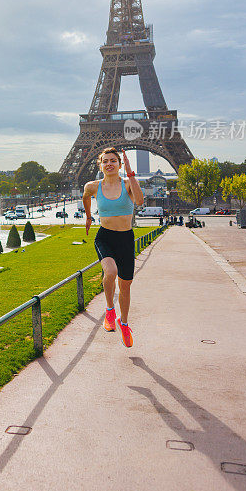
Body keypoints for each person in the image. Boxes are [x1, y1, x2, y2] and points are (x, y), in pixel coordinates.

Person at [82, 147, 144, 347]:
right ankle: (110, 310)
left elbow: (141, 201)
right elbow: (85, 197)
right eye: (105, 161)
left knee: (125, 287)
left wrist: (131, 172)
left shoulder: (128, 184)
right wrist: (88, 216)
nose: (109, 164)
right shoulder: (93, 186)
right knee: (111, 271)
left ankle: (124, 323)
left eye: (113, 161)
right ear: (100, 165)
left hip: (126, 239)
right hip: (105, 237)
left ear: (119, 164)